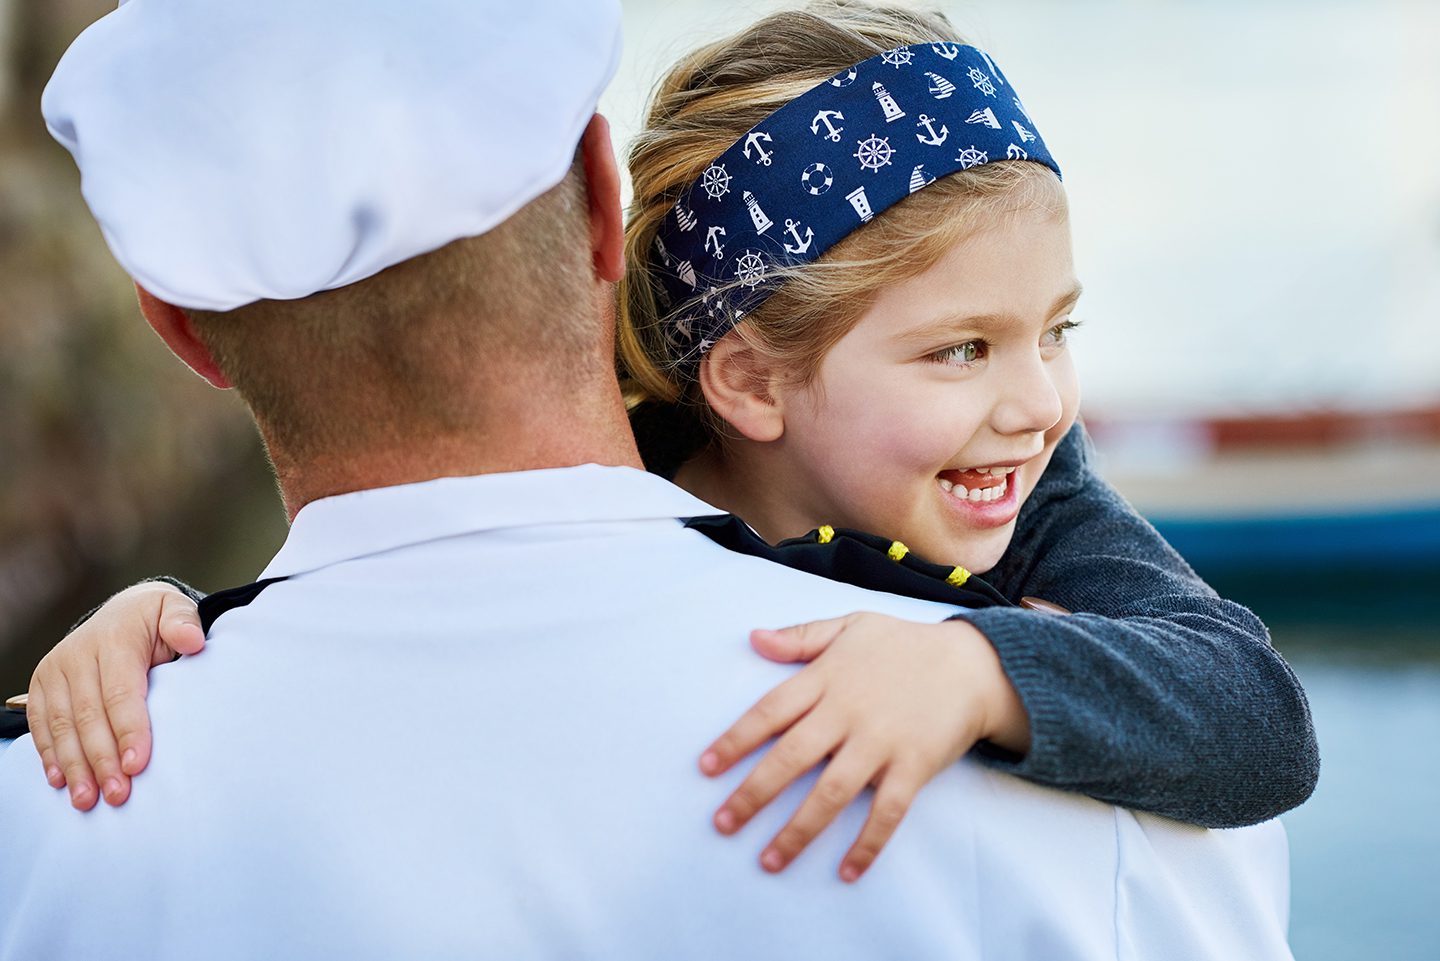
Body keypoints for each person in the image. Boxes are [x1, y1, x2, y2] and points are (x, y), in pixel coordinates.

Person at [0, 1, 1297, 956]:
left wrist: (178, 626)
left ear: (178, 329)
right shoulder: (1113, 823)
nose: (1039, 406)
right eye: (961, 346)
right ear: (601, 202)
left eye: (1056, 332)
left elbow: (412, 560)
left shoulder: (48, 813)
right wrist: (172, 608)